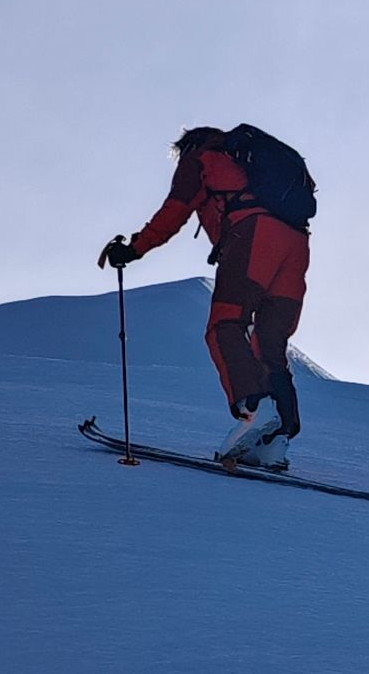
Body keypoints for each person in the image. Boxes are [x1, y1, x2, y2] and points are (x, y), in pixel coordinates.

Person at [98, 125, 313, 471]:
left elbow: (176, 210)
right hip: (296, 244)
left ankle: (254, 411)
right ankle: (276, 442)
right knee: (269, 345)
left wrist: (134, 249)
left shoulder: (202, 159)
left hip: (253, 236)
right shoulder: (250, 165)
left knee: (225, 324)